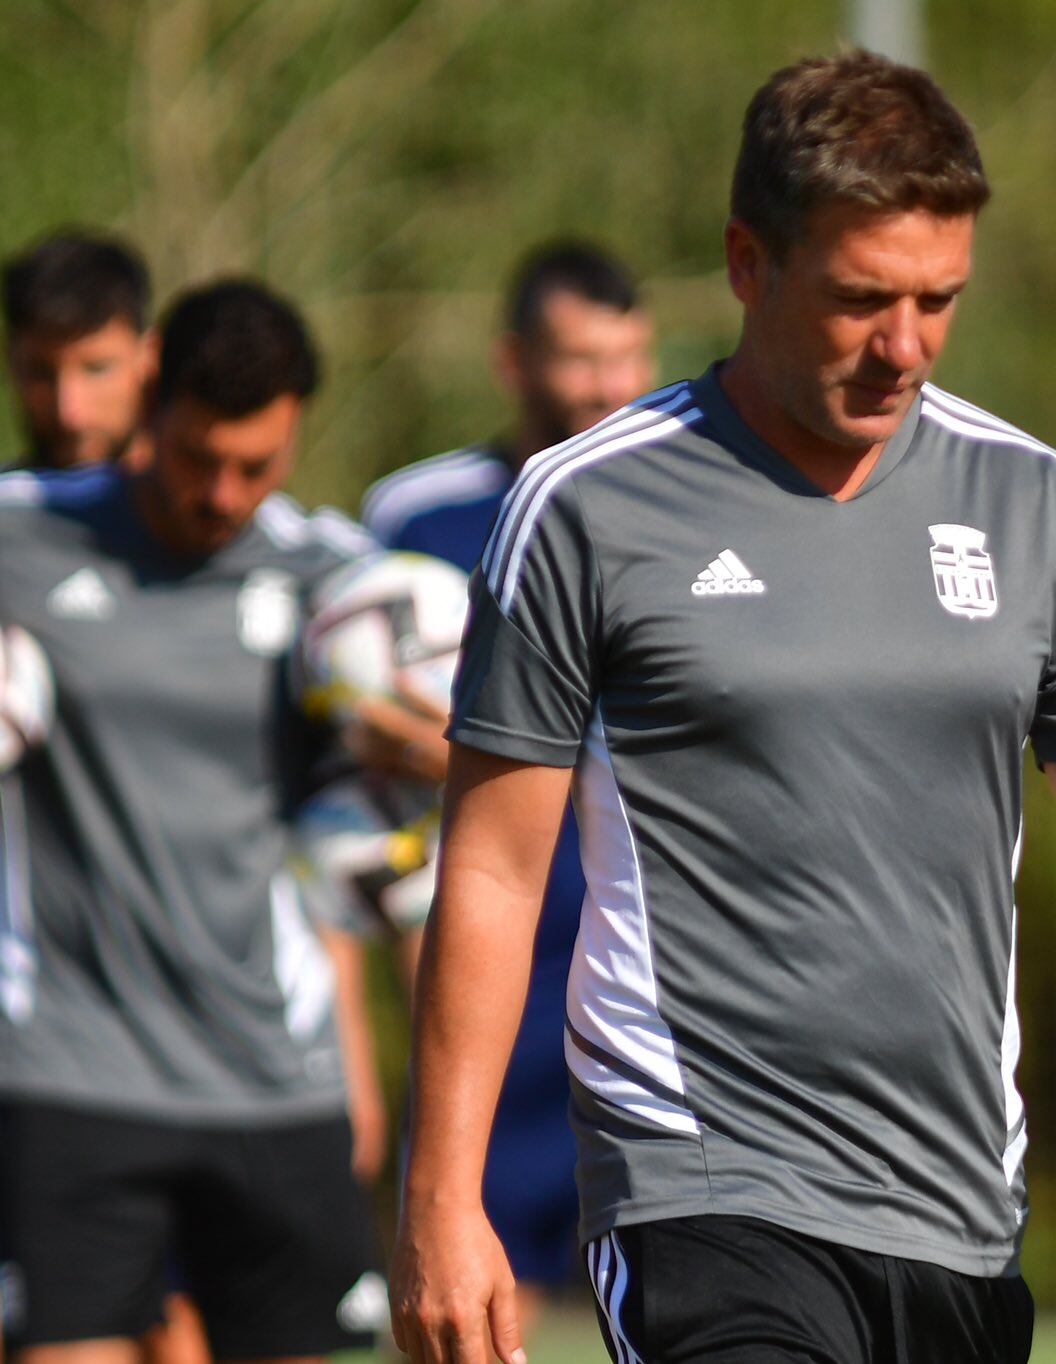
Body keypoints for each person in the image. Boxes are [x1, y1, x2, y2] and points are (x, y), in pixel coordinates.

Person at [391, 50, 1056, 1364]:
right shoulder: (587, 507)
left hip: (955, 1208)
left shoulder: (1039, 503)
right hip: (699, 1185)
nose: (905, 347)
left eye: (939, 301)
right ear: (746, 262)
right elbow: (490, 872)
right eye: (860, 301)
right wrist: (444, 1200)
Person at [0, 280, 389, 1364]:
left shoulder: (340, 584)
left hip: (273, 1074)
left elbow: (372, 825)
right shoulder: (22, 536)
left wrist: (428, 754)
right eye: (196, 456)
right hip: (71, 1067)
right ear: (152, 399)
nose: (222, 492)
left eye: (256, 466)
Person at [355, 241, 657, 1324]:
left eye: (624, 357)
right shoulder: (414, 519)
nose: (605, 387)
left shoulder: (682, 506)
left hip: (645, 963)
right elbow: (360, 724)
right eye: (578, 358)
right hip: (488, 962)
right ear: (513, 361)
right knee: (466, 1295)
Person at [2, 230, 155, 471]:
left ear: (149, 358)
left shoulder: (216, 501)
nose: (69, 414)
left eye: (97, 369)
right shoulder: (8, 502)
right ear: (11, 362)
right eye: (41, 374)